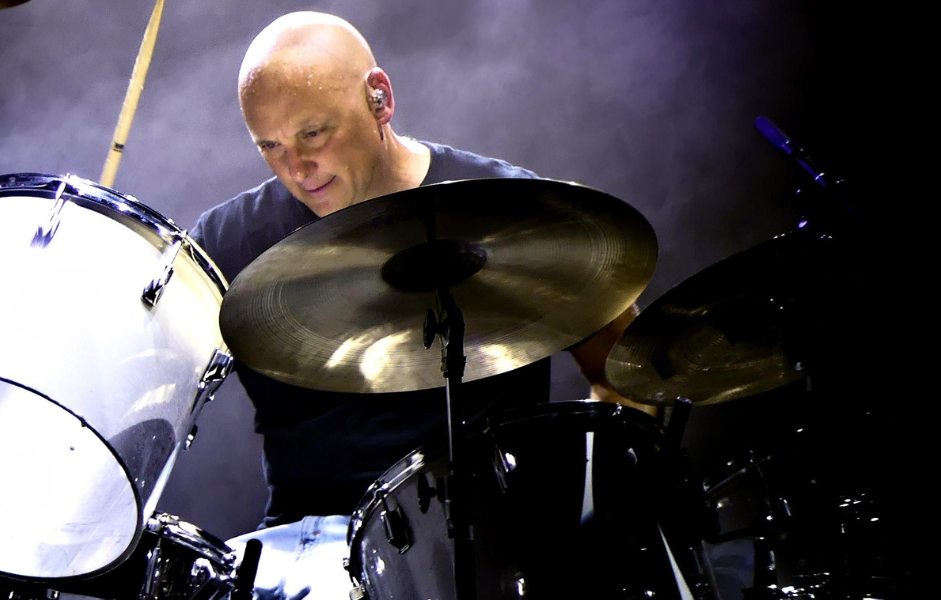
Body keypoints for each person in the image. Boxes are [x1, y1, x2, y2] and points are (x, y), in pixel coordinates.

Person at [187, 11, 650, 599]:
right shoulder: (226, 243)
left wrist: (596, 517)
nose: (296, 170)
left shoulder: (516, 216)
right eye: (269, 147)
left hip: (495, 545)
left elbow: (626, 377)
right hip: (305, 551)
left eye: (313, 134)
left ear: (380, 99)